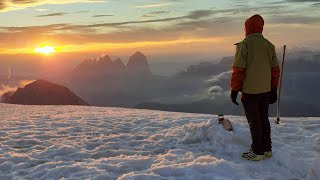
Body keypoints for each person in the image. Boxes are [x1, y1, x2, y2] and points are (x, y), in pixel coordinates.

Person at [230, 14, 280, 161]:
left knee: (254, 121)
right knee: (264, 119)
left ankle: (257, 151)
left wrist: (234, 90)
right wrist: (273, 89)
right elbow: (275, 70)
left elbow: (238, 70)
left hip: (250, 92)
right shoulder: (269, 45)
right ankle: (266, 149)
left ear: (247, 28)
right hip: (265, 90)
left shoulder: (244, 45)